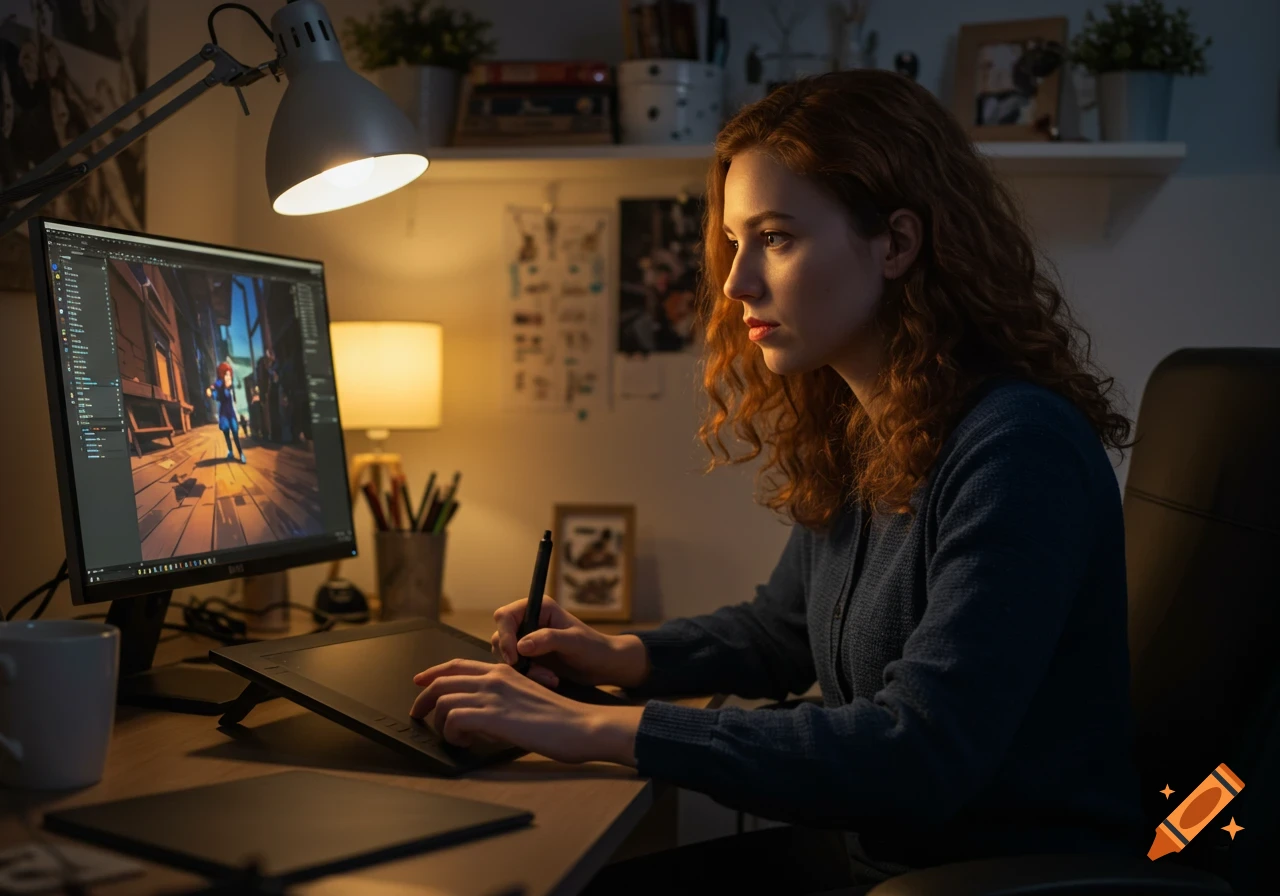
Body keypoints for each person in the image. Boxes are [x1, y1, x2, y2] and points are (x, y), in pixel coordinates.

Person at [410, 70, 1146, 895]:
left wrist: (596, 725)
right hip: (883, 861)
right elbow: (778, 633)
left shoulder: (1016, 449)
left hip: (978, 877)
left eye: (777, 237)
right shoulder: (873, 424)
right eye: (735, 240)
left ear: (897, 243)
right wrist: (617, 654)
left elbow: (919, 751)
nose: (735, 283)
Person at [206, 362, 246, 464]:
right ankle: (231, 452)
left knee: (235, 433)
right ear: (221, 374)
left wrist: (226, 387)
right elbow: (213, 389)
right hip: (224, 413)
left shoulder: (229, 384)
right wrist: (210, 391)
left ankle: (241, 453)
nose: (228, 377)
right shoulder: (219, 383)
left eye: (229, 374)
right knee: (227, 434)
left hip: (230, 412)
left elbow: (228, 393)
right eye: (226, 374)